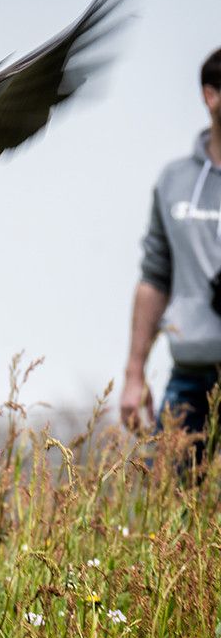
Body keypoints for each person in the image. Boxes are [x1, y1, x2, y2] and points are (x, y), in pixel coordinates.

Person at [120, 47, 221, 459]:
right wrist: (134, 372)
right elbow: (154, 277)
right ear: (210, 95)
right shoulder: (174, 180)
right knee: (169, 505)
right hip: (191, 373)